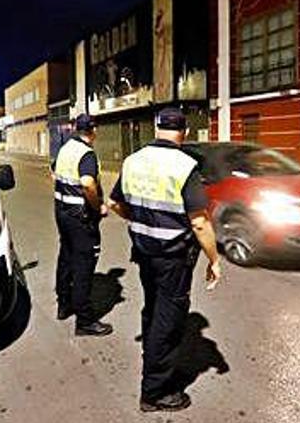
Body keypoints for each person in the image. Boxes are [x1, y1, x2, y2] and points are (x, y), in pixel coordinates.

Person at [108, 107, 222, 412]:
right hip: (174, 258)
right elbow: (199, 222)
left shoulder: (133, 160)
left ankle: (152, 355)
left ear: (157, 129)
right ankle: (154, 393)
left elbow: (114, 203)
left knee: (153, 309)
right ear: (183, 132)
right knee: (168, 321)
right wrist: (214, 260)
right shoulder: (185, 165)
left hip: (145, 252)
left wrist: (143, 220)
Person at [52, 114, 113, 337]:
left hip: (62, 212)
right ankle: (85, 321)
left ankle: (64, 304)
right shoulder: (86, 154)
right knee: (84, 265)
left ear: (77, 129)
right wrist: (98, 208)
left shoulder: (66, 148)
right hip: (81, 217)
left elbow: (53, 172)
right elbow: (88, 184)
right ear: (93, 129)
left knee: (66, 257)